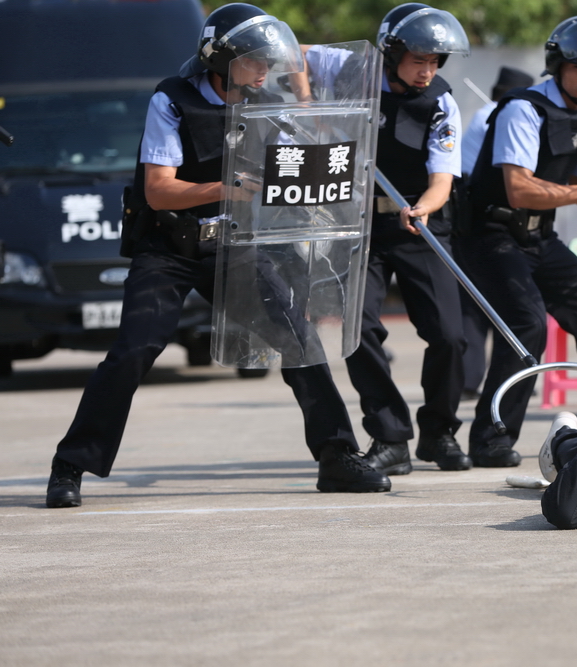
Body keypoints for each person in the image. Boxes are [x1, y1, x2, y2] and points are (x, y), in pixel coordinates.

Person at [44, 4, 391, 509]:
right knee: (133, 351)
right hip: (170, 247)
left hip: (236, 246)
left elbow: (302, 155)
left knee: (299, 340)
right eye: (254, 60)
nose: (264, 70)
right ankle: (70, 464)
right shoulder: (173, 99)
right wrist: (228, 188)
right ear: (221, 59)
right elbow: (159, 191)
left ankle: (337, 456)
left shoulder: (264, 101)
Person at [302, 4, 472, 475]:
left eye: (436, 62)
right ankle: (390, 435)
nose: (427, 71)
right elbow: (290, 54)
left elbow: (443, 178)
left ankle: (439, 432)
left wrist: (425, 206)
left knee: (451, 337)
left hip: (418, 220)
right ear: (391, 53)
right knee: (362, 331)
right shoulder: (351, 68)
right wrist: (307, 107)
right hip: (359, 226)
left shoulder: (441, 102)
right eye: (419, 60)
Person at [453, 16, 577, 468]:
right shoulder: (521, 109)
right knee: (525, 327)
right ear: (558, 64)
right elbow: (521, 189)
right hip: (491, 235)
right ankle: (491, 438)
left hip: (538, 237)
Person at [458, 66, 535, 400]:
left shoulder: (486, 114)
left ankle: (473, 379)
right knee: (499, 303)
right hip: (483, 214)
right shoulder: (500, 116)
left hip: (477, 213)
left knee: (476, 304)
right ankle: (512, 376)